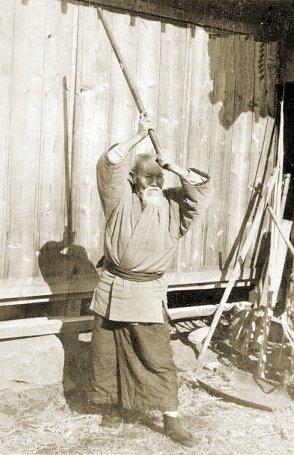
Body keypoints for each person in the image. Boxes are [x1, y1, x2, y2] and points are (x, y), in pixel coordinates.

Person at [88, 113, 213, 447]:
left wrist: (175, 168)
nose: (155, 183)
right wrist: (137, 135)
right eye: (147, 178)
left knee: (158, 358)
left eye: (160, 177)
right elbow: (109, 163)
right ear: (133, 179)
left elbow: (200, 188)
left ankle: (171, 418)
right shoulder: (119, 200)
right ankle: (114, 407)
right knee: (108, 353)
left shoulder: (174, 208)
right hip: (113, 288)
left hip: (147, 293)